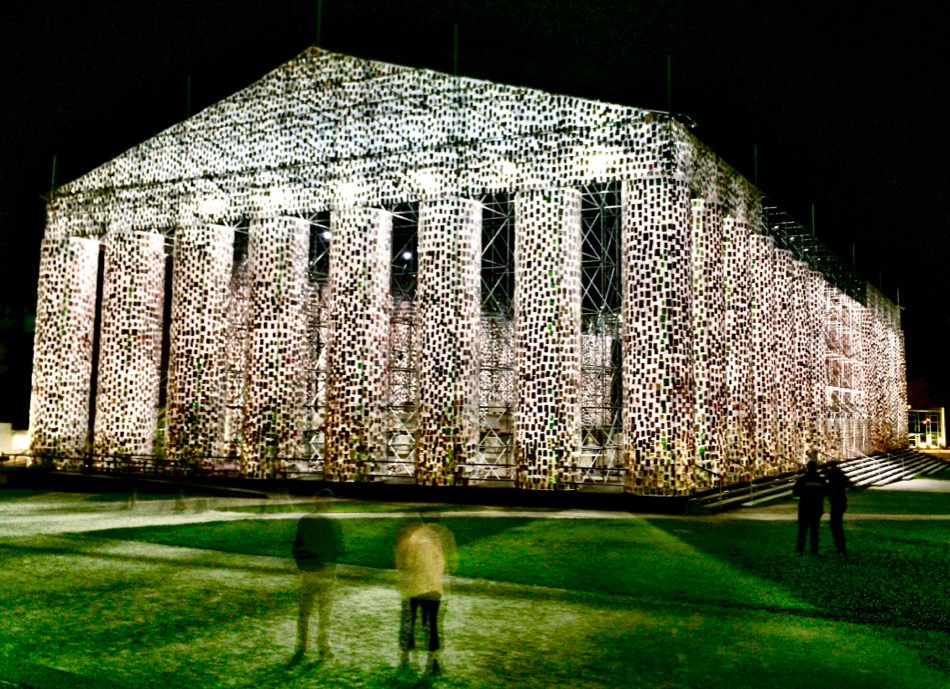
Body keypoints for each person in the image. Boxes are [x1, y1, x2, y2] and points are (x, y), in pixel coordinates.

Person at [395, 518, 456, 675]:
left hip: (416, 587)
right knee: (431, 624)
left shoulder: (414, 538)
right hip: (434, 588)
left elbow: (409, 564)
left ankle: (406, 656)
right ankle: (433, 658)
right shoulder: (435, 538)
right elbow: (441, 563)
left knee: (409, 620)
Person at [291, 489, 344, 663]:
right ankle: (324, 647)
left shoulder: (305, 521)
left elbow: (296, 548)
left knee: (304, 612)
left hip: (309, 572)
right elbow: (340, 549)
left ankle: (301, 645)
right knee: (324, 613)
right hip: (327, 571)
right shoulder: (333, 523)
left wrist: (303, 566)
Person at [792, 460, 827, 554]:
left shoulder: (802, 480)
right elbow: (826, 492)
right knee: (814, 530)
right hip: (816, 507)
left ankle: (800, 548)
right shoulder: (821, 480)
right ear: (816, 468)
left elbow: (795, 492)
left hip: (804, 507)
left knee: (802, 530)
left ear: (807, 468)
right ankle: (814, 549)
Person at [825, 461, 852, 554]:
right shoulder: (840, 475)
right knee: (836, 525)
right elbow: (850, 485)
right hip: (841, 501)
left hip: (837, 502)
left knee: (835, 525)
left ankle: (840, 546)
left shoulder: (833, 477)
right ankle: (840, 546)